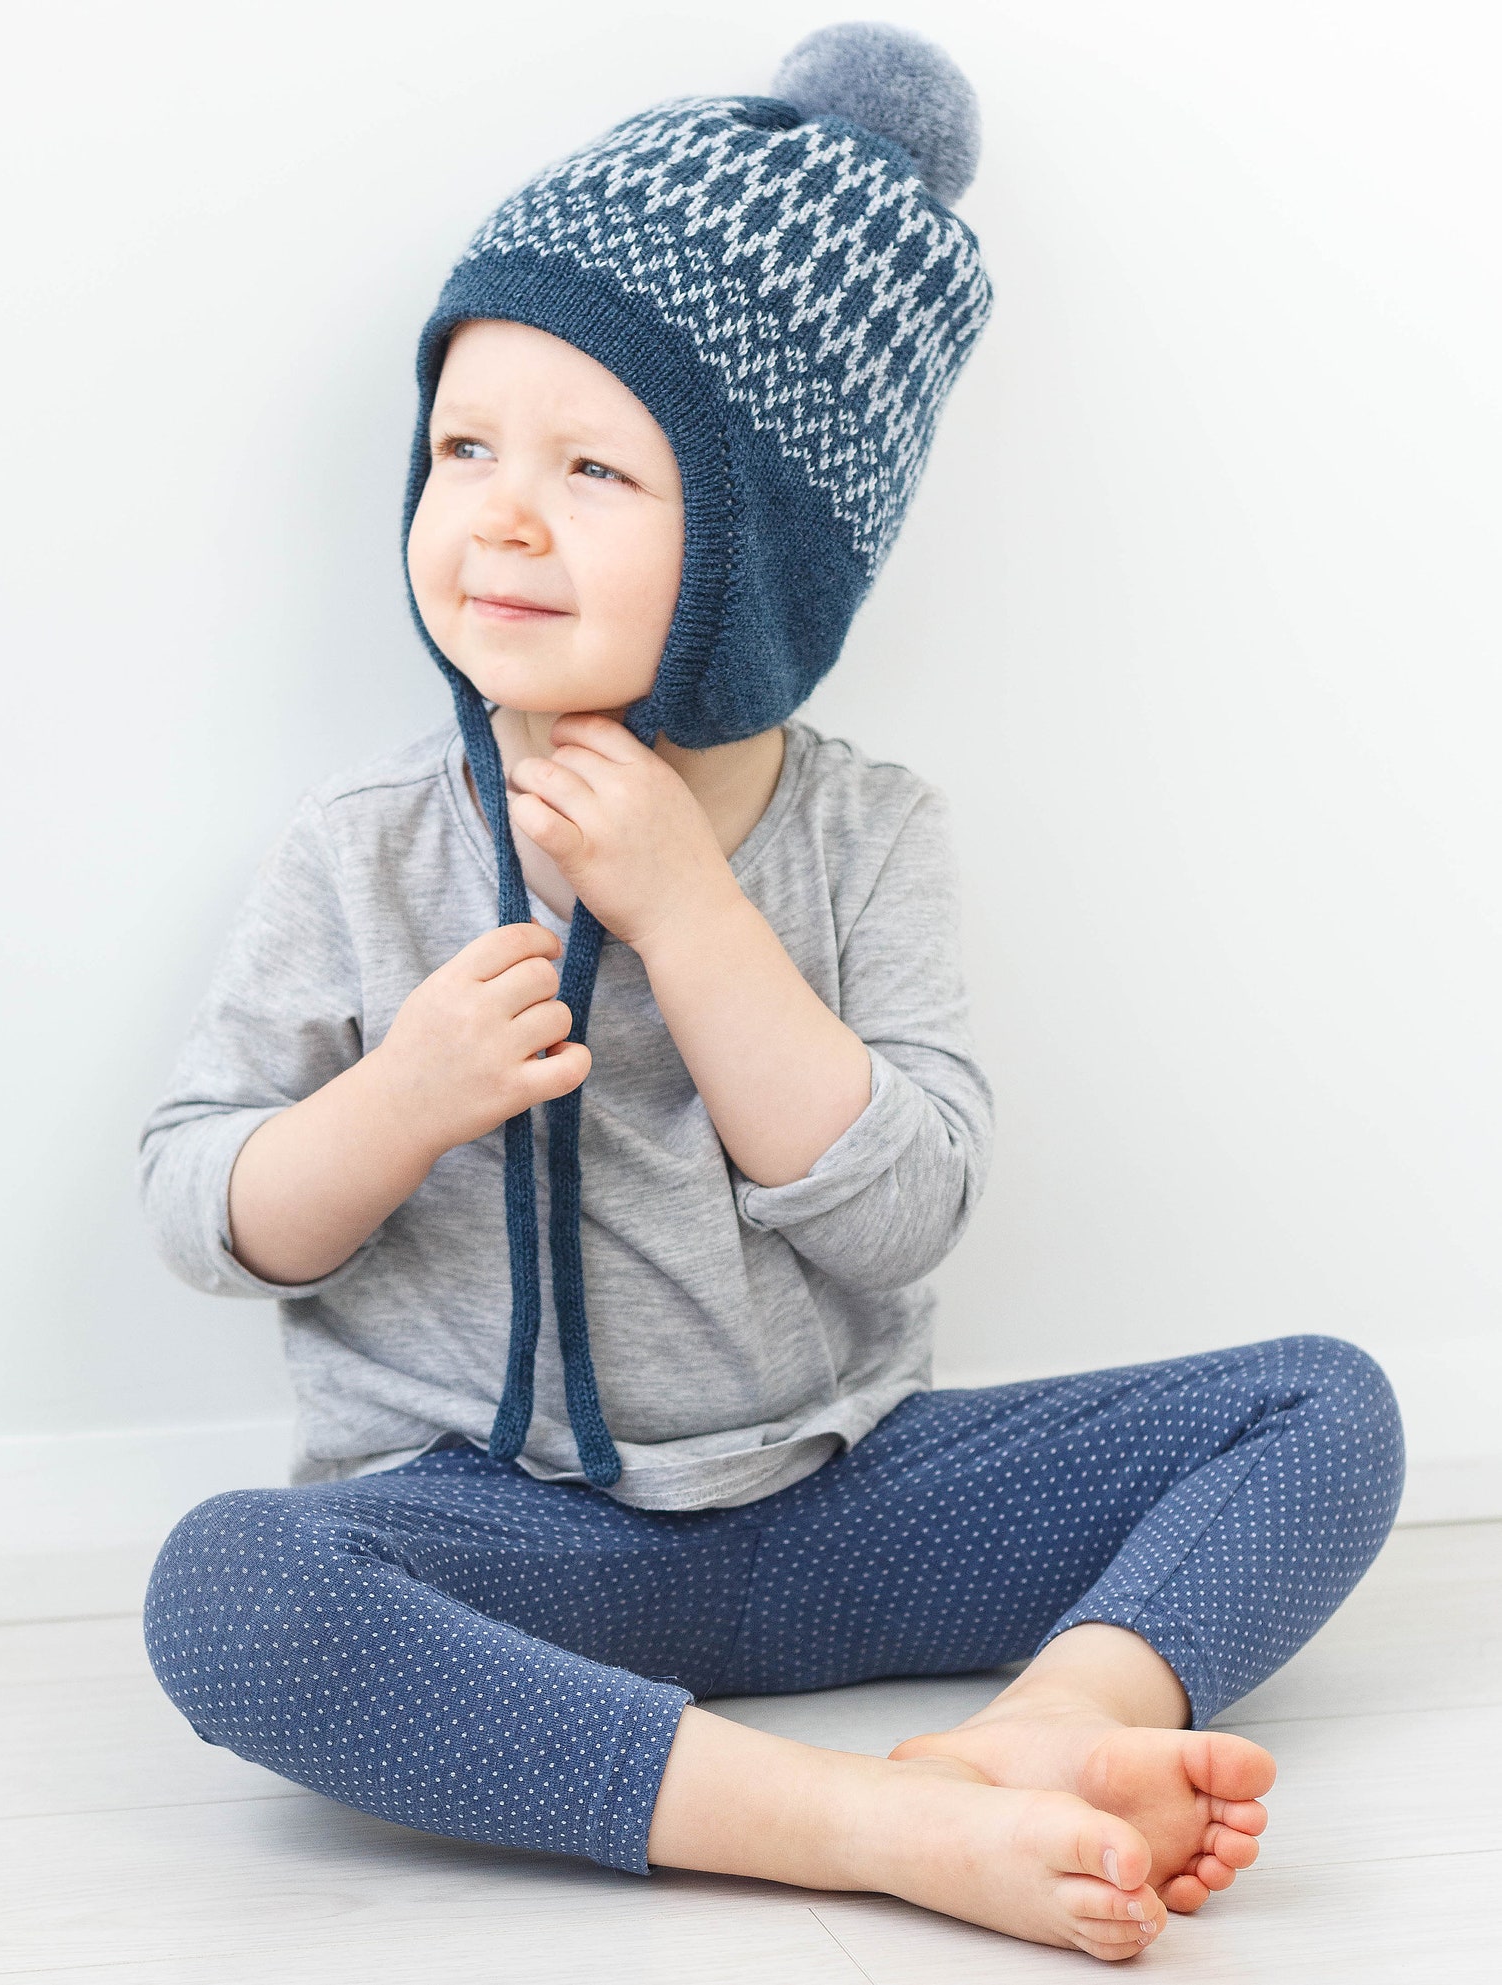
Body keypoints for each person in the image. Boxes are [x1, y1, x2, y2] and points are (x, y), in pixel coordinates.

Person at [137, 23, 1405, 1963]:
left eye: (593, 469)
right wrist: (392, 1099)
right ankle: (850, 1830)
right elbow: (202, 1212)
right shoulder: (367, 844)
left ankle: (1038, 1739)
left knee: (1323, 1409)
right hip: (505, 1541)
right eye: (463, 448)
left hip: (836, 1506)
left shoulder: (864, 837)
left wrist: (689, 916)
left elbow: (904, 1211)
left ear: (752, 561)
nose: (500, 513)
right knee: (228, 1591)